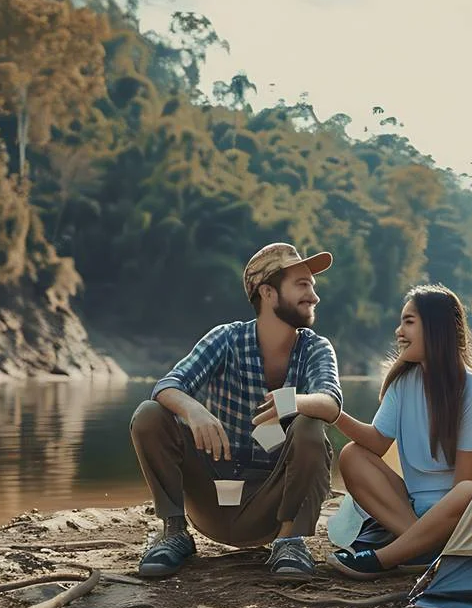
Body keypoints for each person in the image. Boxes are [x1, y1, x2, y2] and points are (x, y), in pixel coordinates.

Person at [130, 242, 343, 579]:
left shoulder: (316, 348)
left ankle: (290, 541)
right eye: (302, 285)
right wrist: (193, 410)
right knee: (149, 414)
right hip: (214, 499)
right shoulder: (227, 338)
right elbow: (166, 386)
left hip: (271, 509)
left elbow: (330, 403)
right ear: (268, 292)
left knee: (310, 427)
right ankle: (173, 532)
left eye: (313, 286)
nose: (314, 296)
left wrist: (290, 402)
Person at [327, 284, 472, 580]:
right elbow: (377, 443)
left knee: (469, 491)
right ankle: (420, 550)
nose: (398, 331)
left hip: (454, 518)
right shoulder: (403, 383)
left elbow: (466, 483)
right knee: (353, 454)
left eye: (408, 321)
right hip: (410, 514)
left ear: (436, 327)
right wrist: (333, 415)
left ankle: (384, 558)